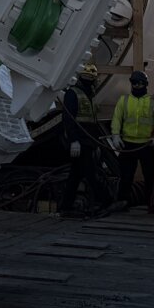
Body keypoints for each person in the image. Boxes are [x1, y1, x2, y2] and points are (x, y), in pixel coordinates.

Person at [59, 64, 105, 215]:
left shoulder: (88, 95)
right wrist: (74, 140)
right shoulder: (73, 94)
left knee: (75, 175)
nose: (91, 81)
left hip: (88, 141)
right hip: (80, 142)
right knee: (90, 173)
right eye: (89, 78)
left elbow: (92, 122)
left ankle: (66, 206)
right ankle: (104, 201)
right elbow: (68, 119)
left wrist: (96, 143)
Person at [110, 70, 154, 213]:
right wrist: (115, 135)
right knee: (126, 176)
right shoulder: (123, 100)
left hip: (146, 145)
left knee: (149, 176)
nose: (137, 86)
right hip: (128, 144)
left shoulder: (153, 102)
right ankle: (123, 202)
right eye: (135, 83)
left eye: (140, 83)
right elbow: (117, 118)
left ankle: (151, 204)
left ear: (145, 84)